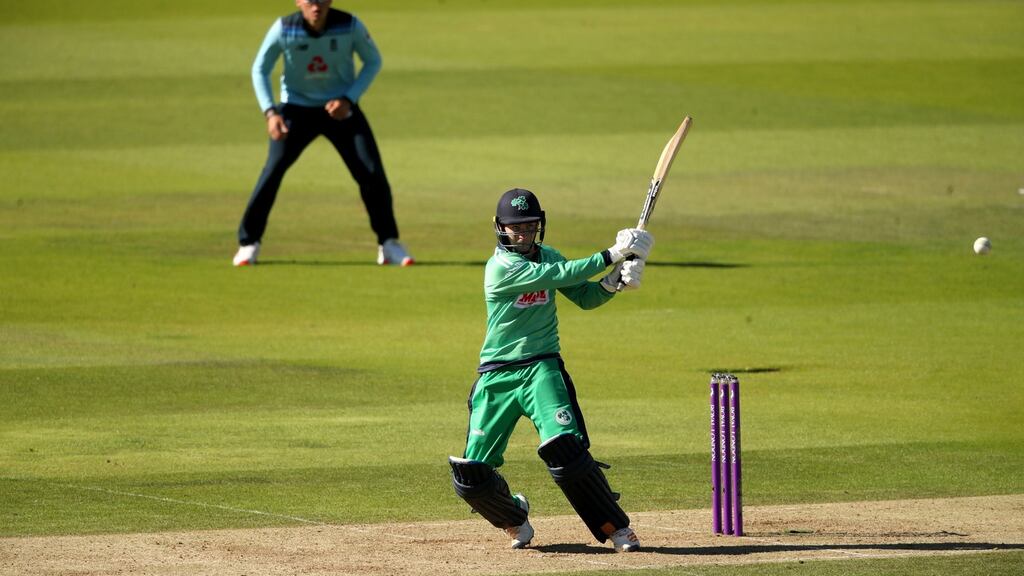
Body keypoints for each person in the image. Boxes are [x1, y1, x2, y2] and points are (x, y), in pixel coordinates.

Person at [448, 188, 652, 552]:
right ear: (500, 228)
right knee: (471, 475)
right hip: (497, 375)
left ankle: (617, 528)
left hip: (541, 368)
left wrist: (614, 281)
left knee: (566, 451)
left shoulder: (548, 258)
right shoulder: (500, 268)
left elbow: (586, 297)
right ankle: (514, 518)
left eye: (530, 225)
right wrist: (612, 254)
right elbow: (557, 273)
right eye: (516, 227)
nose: (523, 233)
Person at [233, 0, 413, 267]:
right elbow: (260, 68)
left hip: (340, 109)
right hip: (296, 110)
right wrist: (270, 113)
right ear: (299, 2)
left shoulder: (349, 25)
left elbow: (373, 60)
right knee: (272, 172)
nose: (315, 5)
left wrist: (349, 99)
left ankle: (388, 244)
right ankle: (249, 243)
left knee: (371, 173)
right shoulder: (284, 28)